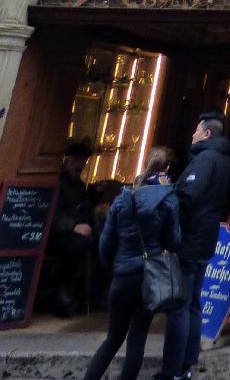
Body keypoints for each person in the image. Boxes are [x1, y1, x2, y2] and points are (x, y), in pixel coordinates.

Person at [82, 148, 180, 380]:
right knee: (137, 339)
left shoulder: (122, 199)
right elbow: (175, 241)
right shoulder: (168, 201)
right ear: (166, 170)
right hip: (149, 276)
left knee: (113, 338)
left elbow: (105, 243)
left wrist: (115, 268)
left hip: (122, 276)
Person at [161, 113, 230, 380]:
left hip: (191, 239)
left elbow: (188, 196)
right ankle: (187, 363)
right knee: (192, 303)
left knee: (180, 305)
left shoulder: (206, 160)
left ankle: (173, 370)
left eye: (196, 130)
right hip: (205, 239)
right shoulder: (222, 159)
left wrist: (169, 194)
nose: (192, 134)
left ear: (207, 134)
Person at [47, 139, 95, 315]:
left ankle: (92, 294)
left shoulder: (79, 186)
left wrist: (96, 194)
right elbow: (52, 213)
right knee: (77, 245)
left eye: (83, 161)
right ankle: (63, 288)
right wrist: (74, 226)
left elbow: (85, 208)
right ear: (67, 160)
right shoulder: (57, 182)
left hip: (79, 233)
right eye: (77, 160)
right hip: (57, 234)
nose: (81, 165)